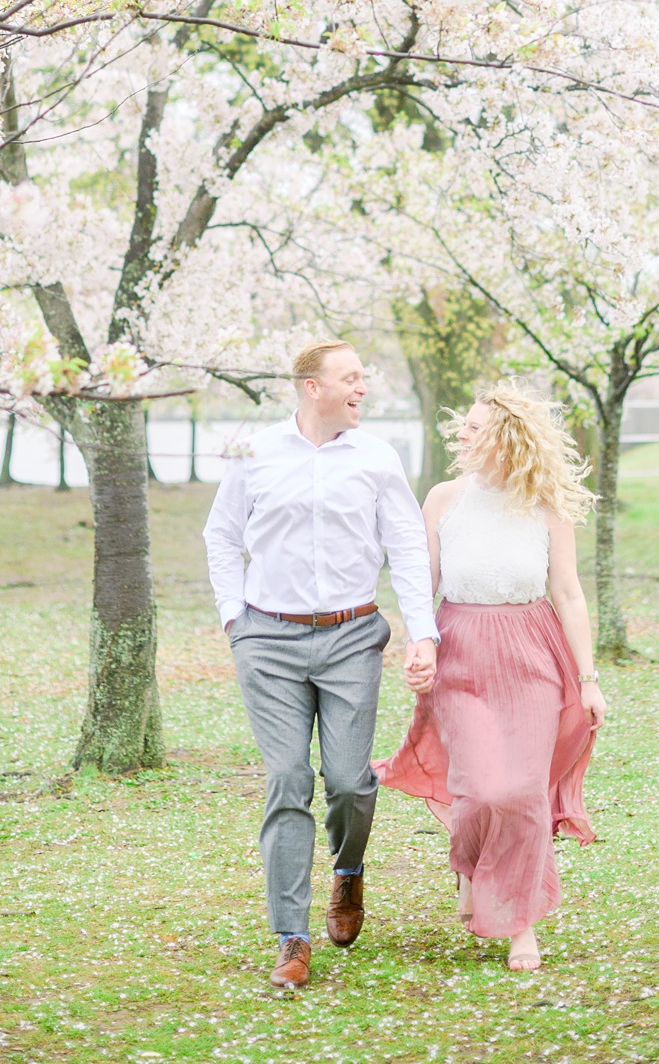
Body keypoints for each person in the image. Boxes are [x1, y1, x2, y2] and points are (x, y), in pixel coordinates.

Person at [202, 340, 438, 988]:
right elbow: (221, 534)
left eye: (364, 377)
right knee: (286, 780)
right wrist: (234, 619)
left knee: (349, 781)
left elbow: (407, 546)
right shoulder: (256, 454)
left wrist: (424, 635)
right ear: (313, 387)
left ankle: (349, 872)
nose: (364, 388)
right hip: (268, 642)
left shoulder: (377, 457)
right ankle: (291, 938)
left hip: (351, 637)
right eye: (351, 378)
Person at [378, 387, 604, 970]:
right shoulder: (443, 499)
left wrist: (589, 678)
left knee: (521, 790)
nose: (462, 435)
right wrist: (418, 644)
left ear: (506, 437)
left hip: (531, 654)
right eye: (464, 426)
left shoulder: (544, 506)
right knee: (477, 789)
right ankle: (473, 870)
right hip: (461, 654)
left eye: (474, 428)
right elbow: (420, 586)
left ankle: (521, 921)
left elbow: (570, 593)